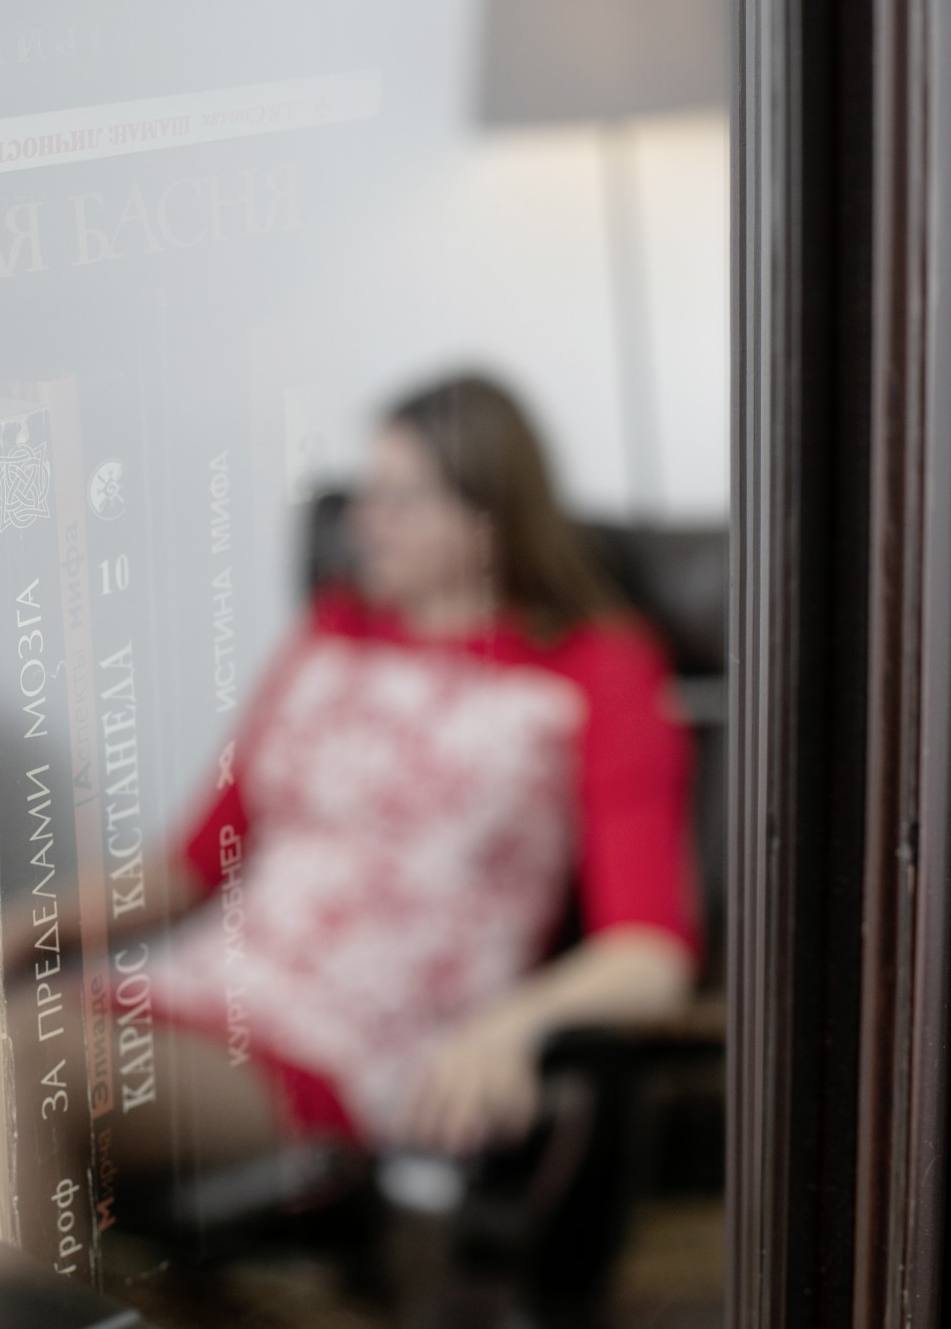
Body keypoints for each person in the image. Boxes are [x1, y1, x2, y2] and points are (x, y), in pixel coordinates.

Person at [130, 374, 699, 1164]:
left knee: (16, 1078)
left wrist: (510, 1027)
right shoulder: (331, 632)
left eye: (404, 499)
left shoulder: (597, 668)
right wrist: (6, 935)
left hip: (363, 1051)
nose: (367, 523)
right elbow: (189, 867)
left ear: (490, 514)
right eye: (370, 494)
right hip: (201, 993)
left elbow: (648, 955)